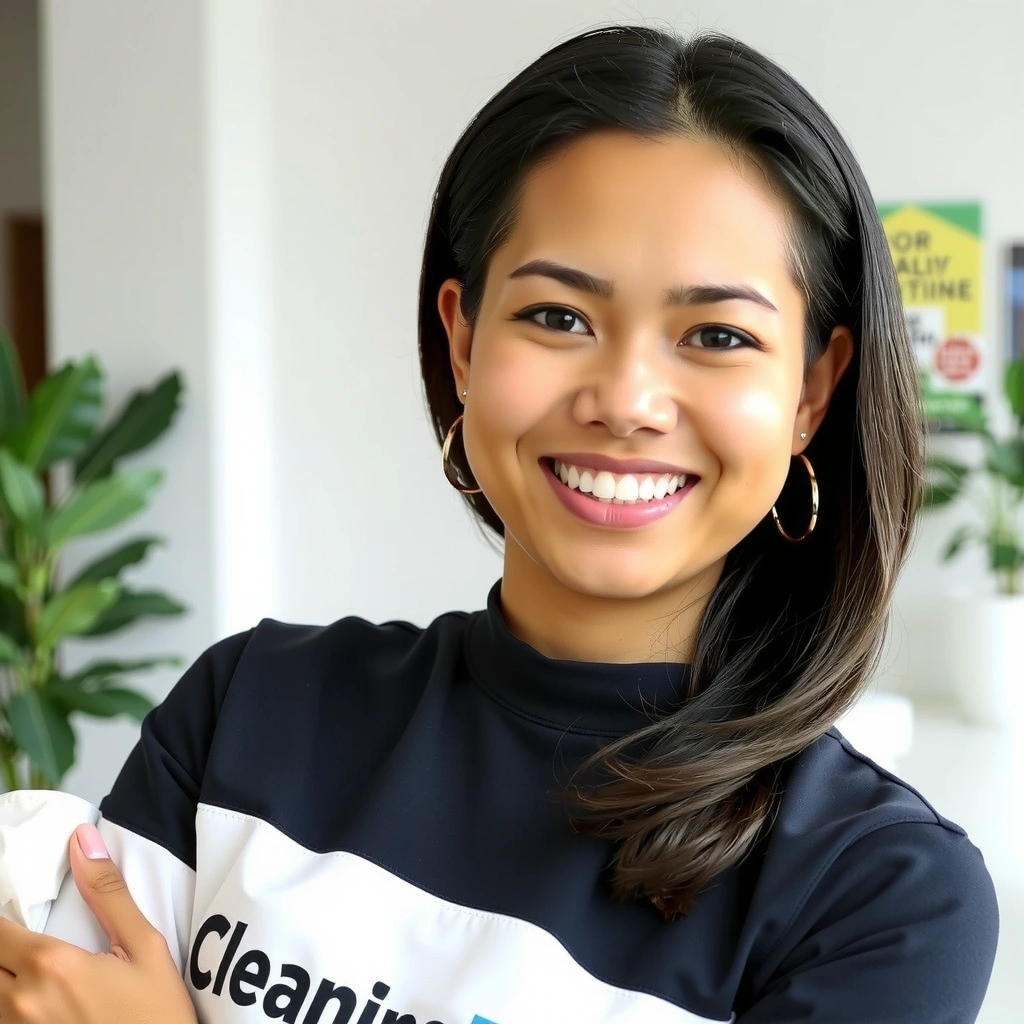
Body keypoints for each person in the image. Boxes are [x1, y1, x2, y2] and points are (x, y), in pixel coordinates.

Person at [0, 23, 999, 1024]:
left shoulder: (880, 898)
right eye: (558, 317)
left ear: (810, 396)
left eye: (717, 335)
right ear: (463, 341)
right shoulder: (247, 710)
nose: (627, 399)